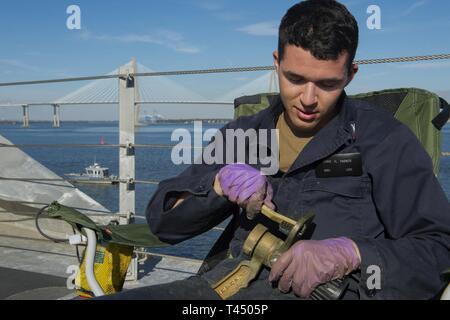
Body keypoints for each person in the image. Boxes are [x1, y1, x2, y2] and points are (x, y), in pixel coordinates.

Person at [103, 0, 450, 300]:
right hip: (226, 291)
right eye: (295, 79)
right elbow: (165, 224)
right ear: (276, 63)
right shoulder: (244, 134)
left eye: (328, 83)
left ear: (351, 74)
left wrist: (354, 253)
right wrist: (218, 186)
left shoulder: (384, 140)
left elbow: (437, 249)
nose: (309, 99)